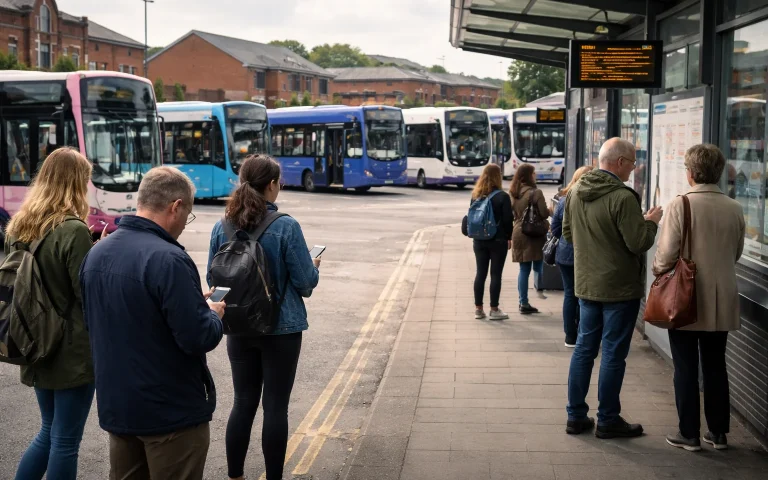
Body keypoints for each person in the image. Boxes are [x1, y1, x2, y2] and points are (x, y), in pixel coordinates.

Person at [80, 167, 225, 480]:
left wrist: (185, 301)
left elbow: (99, 321)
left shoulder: (97, 253)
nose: (186, 222)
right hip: (169, 414)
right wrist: (213, 314)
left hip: (119, 408)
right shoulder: (169, 259)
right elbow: (198, 336)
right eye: (188, 213)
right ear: (175, 207)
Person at [207, 155, 320, 480]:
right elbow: (305, 283)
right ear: (271, 185)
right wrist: (314, 269)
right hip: (281, 329)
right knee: (275, 407)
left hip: (238, 326)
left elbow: (213, 280)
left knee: (242, 402)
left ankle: (235, 475)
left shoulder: (222, 226)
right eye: (278, 182)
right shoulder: (285, 226)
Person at [563, 137, 663, 438]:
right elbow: (638, 242)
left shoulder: (577, 190)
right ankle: (607, 419)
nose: (633, 169)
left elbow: (568, 233)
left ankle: (576, 417)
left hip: (586, 285)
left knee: (583, 350)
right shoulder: (623, 197)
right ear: (619, 162)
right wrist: (651, 222)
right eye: (632, 163)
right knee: (612, 355)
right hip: (619, 289)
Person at [6, 148, 95, 480]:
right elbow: (85, 294)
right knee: (65, 441)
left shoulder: (20, 225)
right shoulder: (73, 230)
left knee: (48, 431)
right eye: (85, 179)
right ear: (74, 182)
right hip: (70, 350)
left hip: (32, 339)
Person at [653, 145, 745, 452]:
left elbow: (666, 255)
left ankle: (688, 433)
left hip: (687, 298)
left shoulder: (681, 204)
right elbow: (737, 253)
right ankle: (718, 433)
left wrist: (657, 270)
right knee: (716, 364)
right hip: (722, 298)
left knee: (686, 366)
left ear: (691, 173)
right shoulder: (734, 207)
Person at [550, 165, 594, 348]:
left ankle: (570, 337)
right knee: (585, 296)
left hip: (565, 254)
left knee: (570, 294)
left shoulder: (564, 200)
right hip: (588, 255)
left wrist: (567, 240)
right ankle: (584, 334)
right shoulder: (594, 201)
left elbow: (555, 228)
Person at [470, 163, 514, 320]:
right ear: (498, 176)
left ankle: (478, 309)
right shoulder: (502, 196)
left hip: (479, 240)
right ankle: (494, 309)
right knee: (496, 274)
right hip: (498, 240)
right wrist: (509, 237)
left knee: (480, 273)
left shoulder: (476, 195)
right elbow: (508, 220)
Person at [509, 163, 549, 314]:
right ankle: (538, 288)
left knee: (523, 269)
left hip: (518, 232)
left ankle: (523, 302)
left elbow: (511, 214)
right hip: (533, 233)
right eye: (533, 173)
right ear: (528, 175)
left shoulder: (513, 192)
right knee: (536, 264)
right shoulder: (535, 193)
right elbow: (544, 213)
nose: (535, 175)